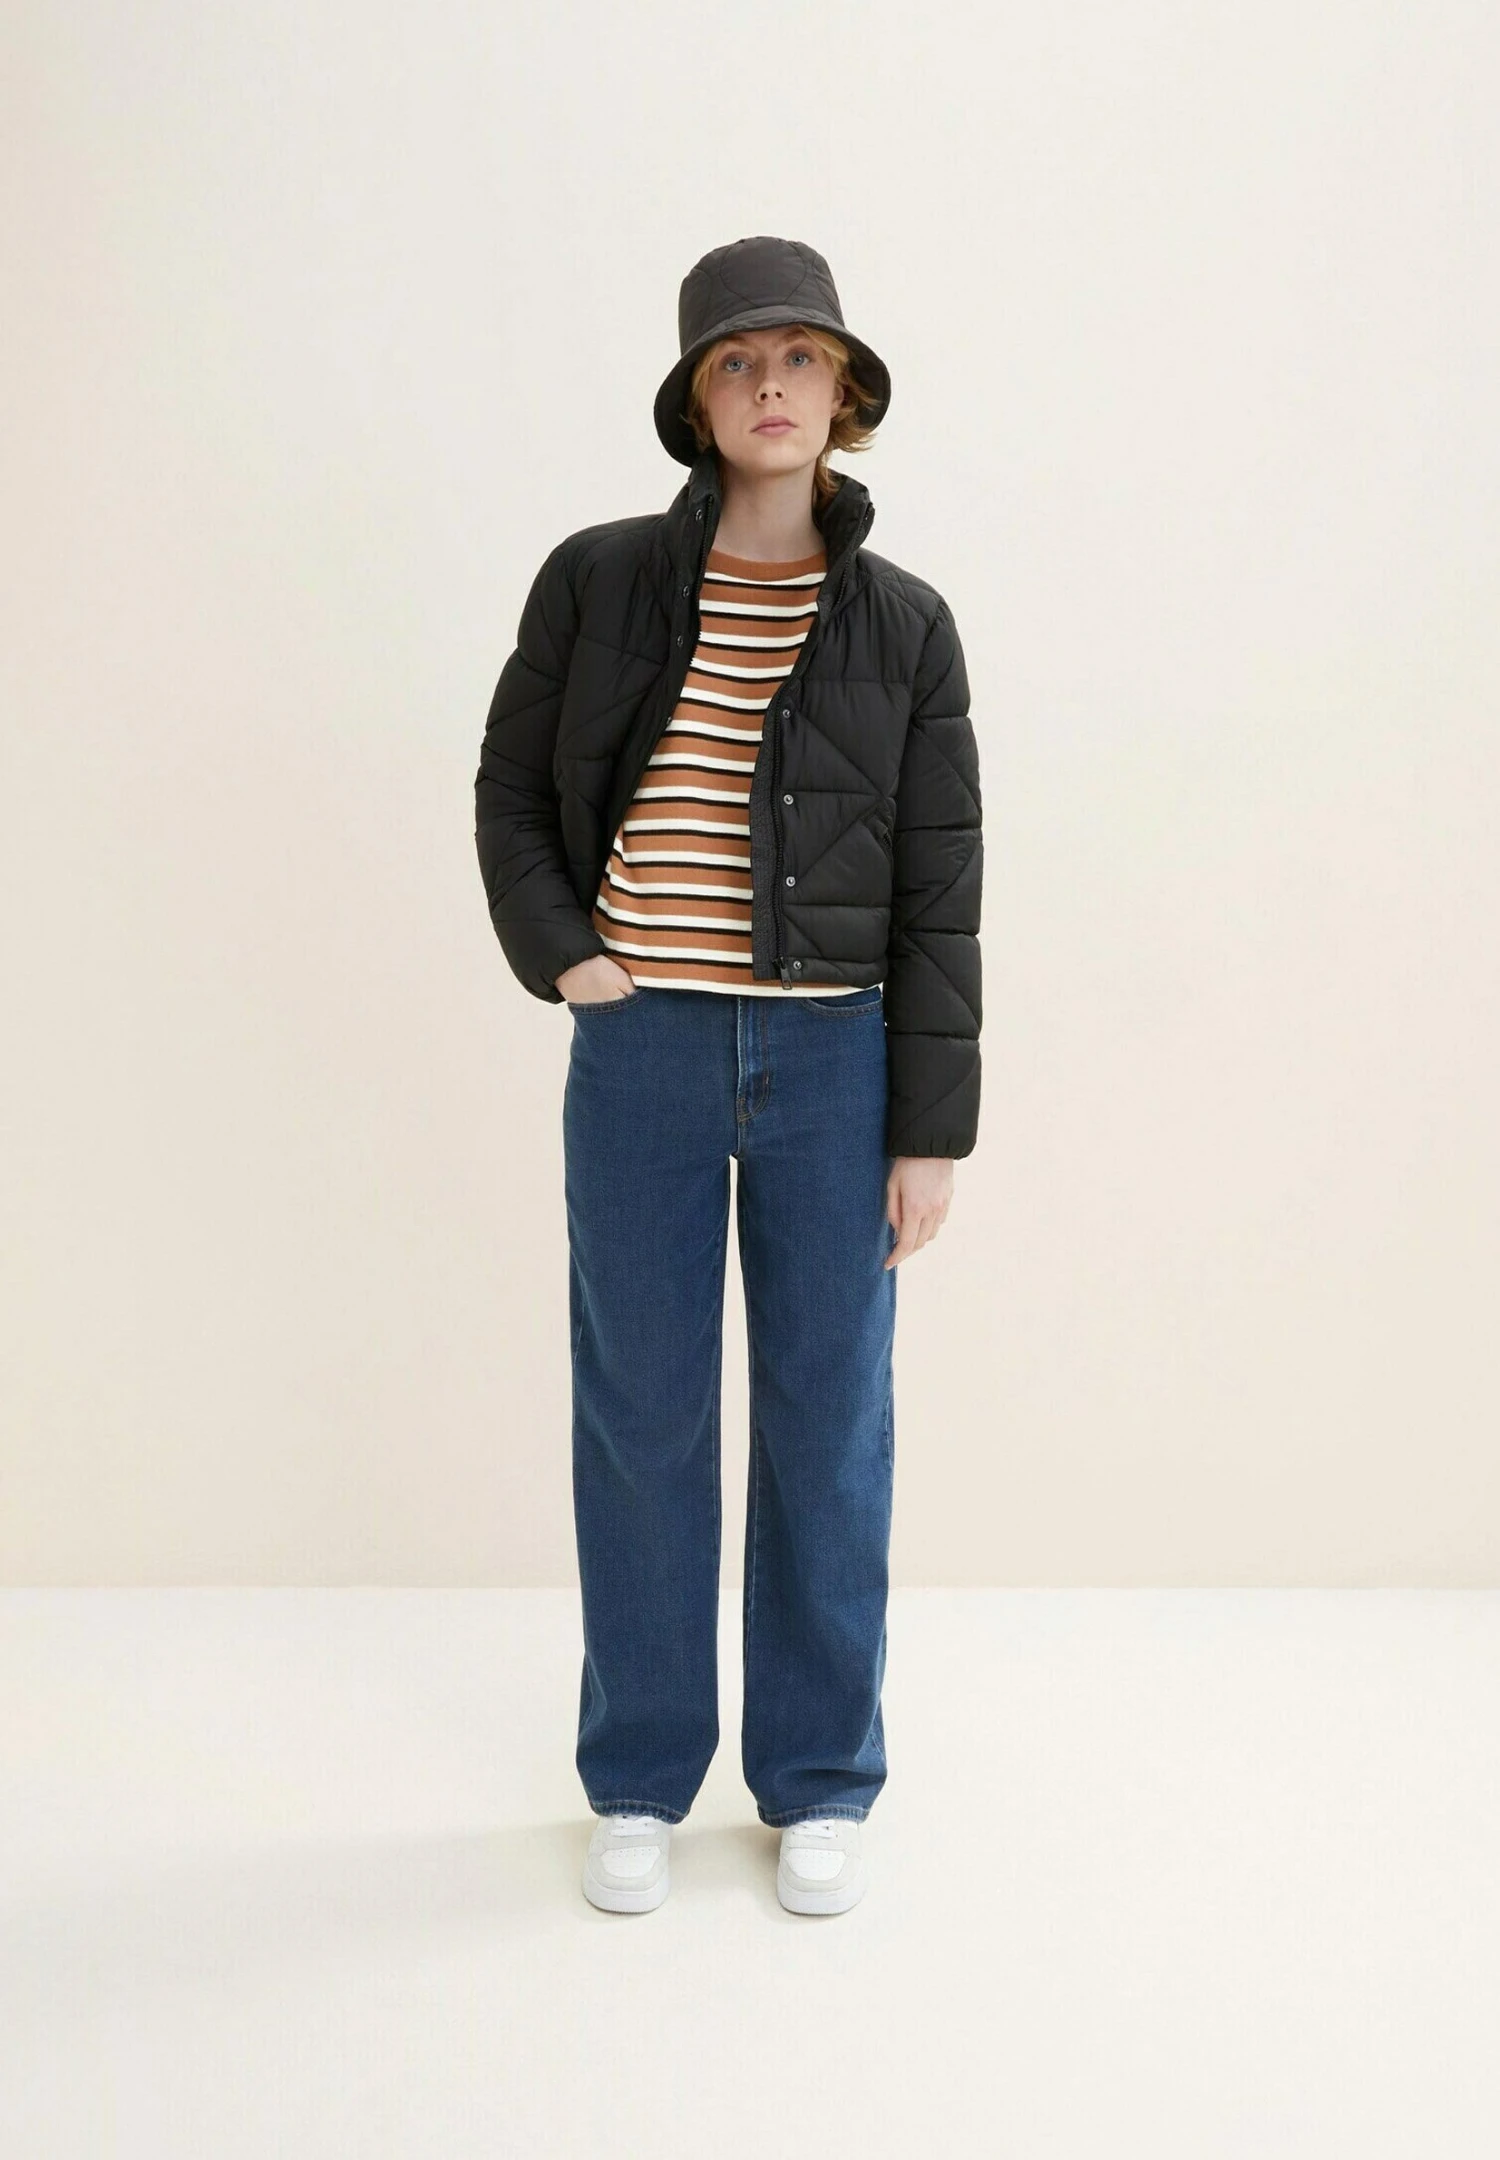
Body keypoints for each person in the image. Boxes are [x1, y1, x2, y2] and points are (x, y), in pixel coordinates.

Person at [474, 235, 983, 1916]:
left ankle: (820, 1780)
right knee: (641, 1417)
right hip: (644, 1052)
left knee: (832, 1425)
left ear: (845, 394)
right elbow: (510, 791)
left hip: (839, 1060)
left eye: (800, 358)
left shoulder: (907, 626)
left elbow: (941, 891)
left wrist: (930, 1130)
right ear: (697, 403)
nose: (771, 385)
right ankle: (638, 1775)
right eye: (736, 362)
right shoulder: (598, 579)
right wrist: (574, 962)